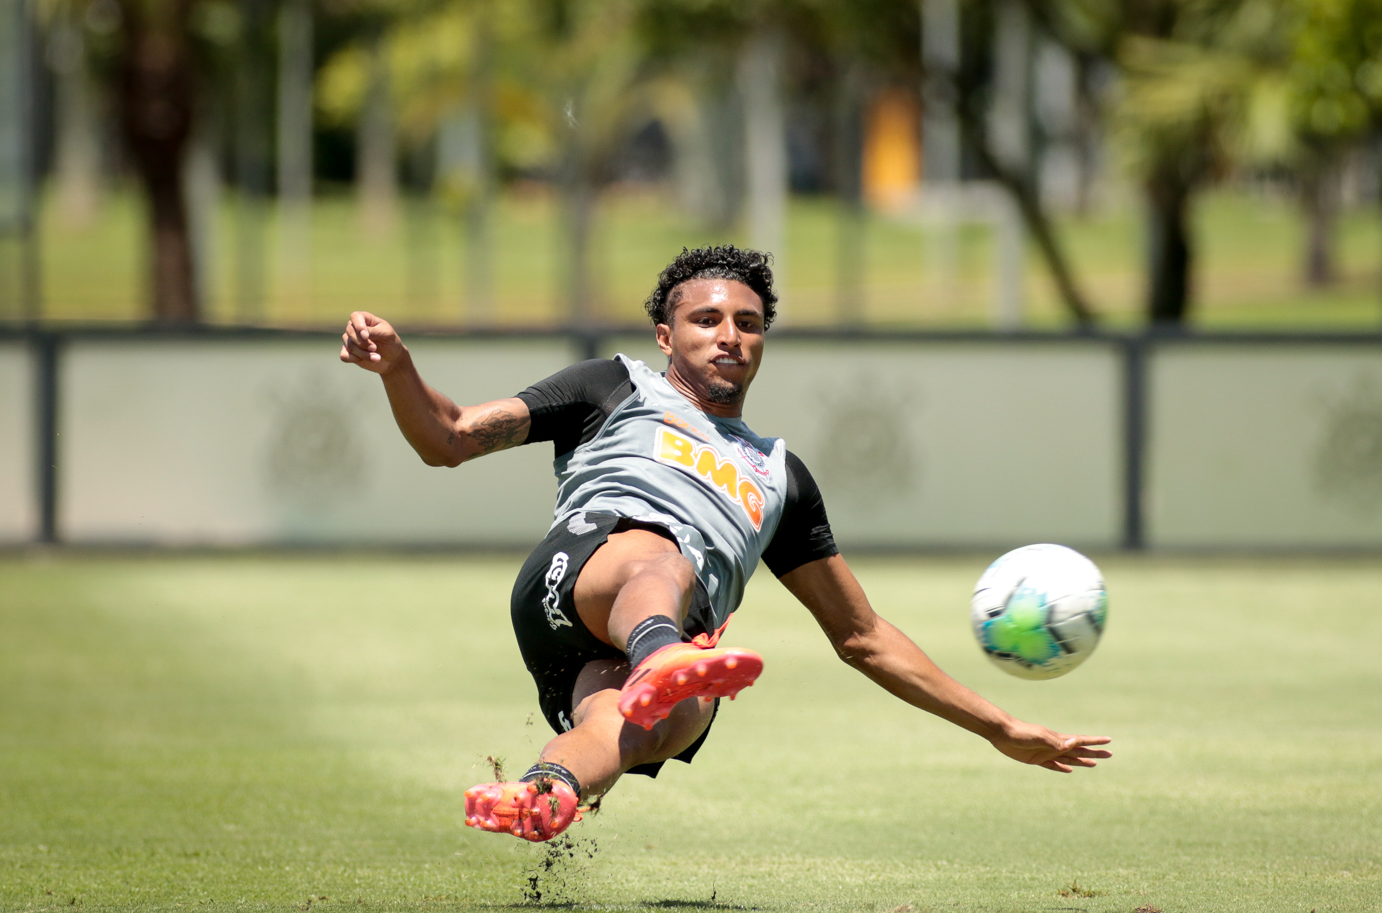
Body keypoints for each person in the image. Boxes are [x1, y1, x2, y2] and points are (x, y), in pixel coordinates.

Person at [340, 245, 1111, 842]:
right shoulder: (615, 387)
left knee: (643, 723)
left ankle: (544, 793)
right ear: (665, 333)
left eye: (747, 322)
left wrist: (1000, 726)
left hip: (649, 640)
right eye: (707, 319)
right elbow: (448, 438)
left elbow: (864, 636)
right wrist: (399, 368)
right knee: (664, 558)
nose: (729, 335)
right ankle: (661, 654)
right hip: (582, 574)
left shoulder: (780, 476)